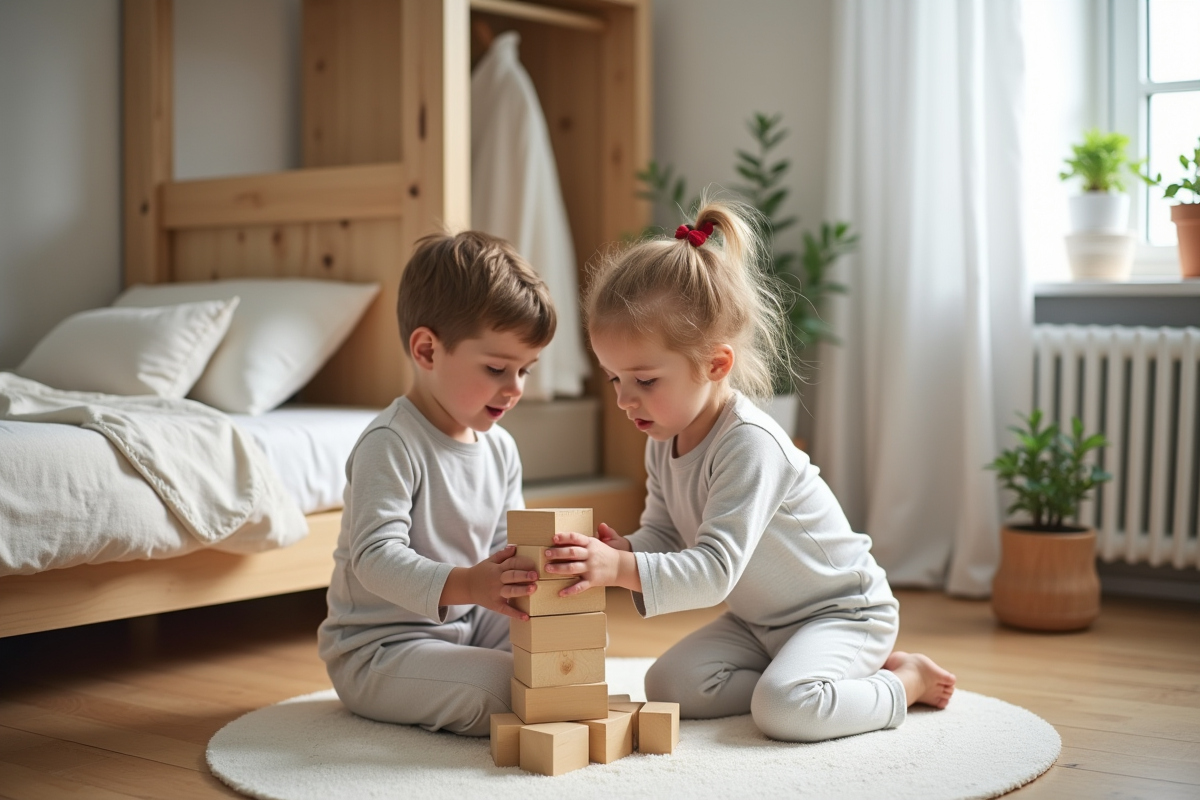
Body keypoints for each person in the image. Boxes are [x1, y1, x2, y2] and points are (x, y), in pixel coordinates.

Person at [543, 196, 956, 743]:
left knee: (784, 711)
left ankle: (905, 682)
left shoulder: (749, 445)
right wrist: (625, 550)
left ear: (716, 364)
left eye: (644, 380)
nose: (625, 400)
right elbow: (667, 534)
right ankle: (813, 676)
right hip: (760, 622)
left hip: (841, 612)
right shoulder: (663, 438)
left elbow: (714, 571)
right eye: (615, 379)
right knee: (668, 684)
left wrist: (620, 572)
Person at [317, 231, 550, 737]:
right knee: (501, 689)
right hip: (381, 649)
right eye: (496, 368)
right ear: (426, 350)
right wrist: (469, 584)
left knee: (559, 652)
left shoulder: (500, 448)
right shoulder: (391, 442)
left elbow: (501, 552)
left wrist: (550, 570)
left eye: (525, 371)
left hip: (468, 624)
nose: (514, 389)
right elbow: (375, 558)